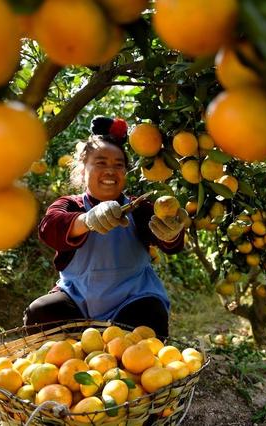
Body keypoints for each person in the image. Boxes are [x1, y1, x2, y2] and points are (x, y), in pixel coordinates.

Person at [23, 116, 187, 337]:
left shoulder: (139, 208)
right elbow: (50, 229)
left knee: (149, 318)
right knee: (41, 313)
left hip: (133, 298)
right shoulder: (70, 204)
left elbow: (170, 244)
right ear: (82, 170)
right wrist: (87, 220)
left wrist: (171, 232)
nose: (110, 171)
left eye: (118, 165)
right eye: (101, 163)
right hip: (77, 298)